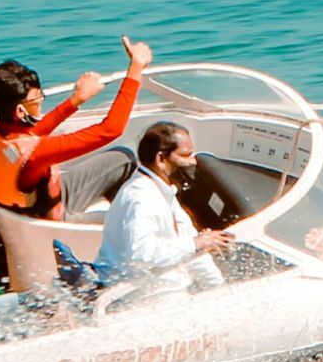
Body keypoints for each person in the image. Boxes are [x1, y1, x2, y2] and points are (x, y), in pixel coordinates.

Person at [0, 36, 152, 220]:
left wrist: (76, 100)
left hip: (25, 214)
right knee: (131, 219)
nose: (41, 100)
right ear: (20, 110)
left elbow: (28, 133)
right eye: (37, 98)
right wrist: (136, 67)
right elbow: (111, 130)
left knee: (123, 158)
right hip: (54, 226)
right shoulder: (35, 155)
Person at [95, 121, 235, 291]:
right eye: (185, 156)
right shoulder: (140, 197)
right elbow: (140, 254)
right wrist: (196, 244)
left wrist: (219, 289)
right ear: (161, 159)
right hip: (139, 297)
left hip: (165, 288)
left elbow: (191, 246)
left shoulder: (164, 192)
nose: (193, 162)